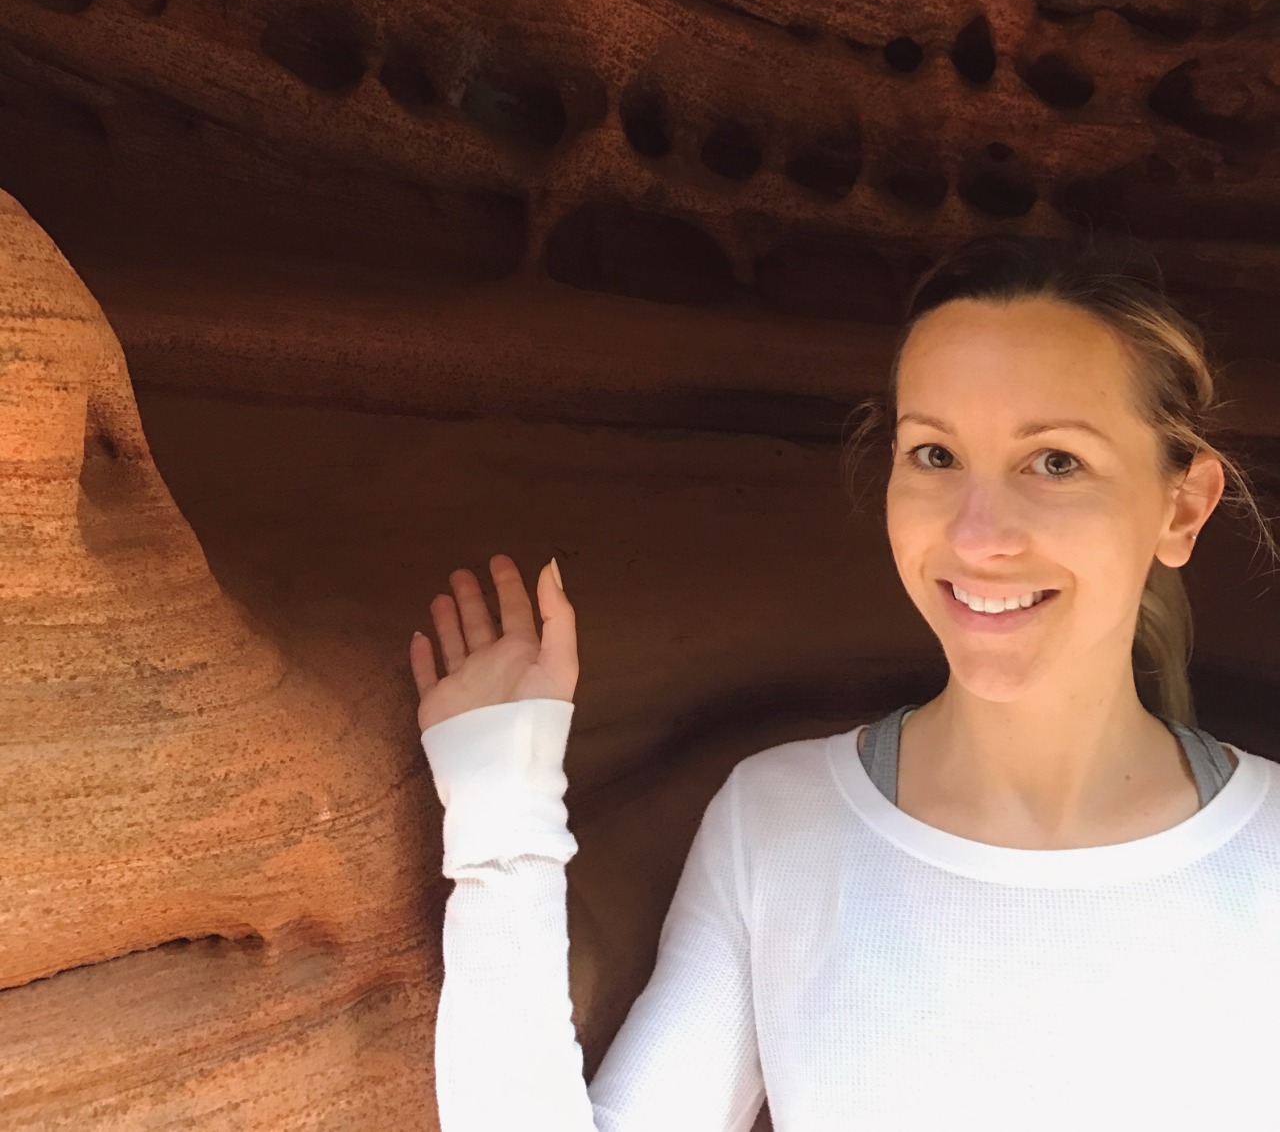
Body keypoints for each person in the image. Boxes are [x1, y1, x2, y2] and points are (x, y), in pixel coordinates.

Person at [408, 231, 1280, 1132]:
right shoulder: (780, 822)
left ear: (1182, 506)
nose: (978, 535)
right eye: (935, 454)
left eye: (1055, 461)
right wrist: (501, 812)